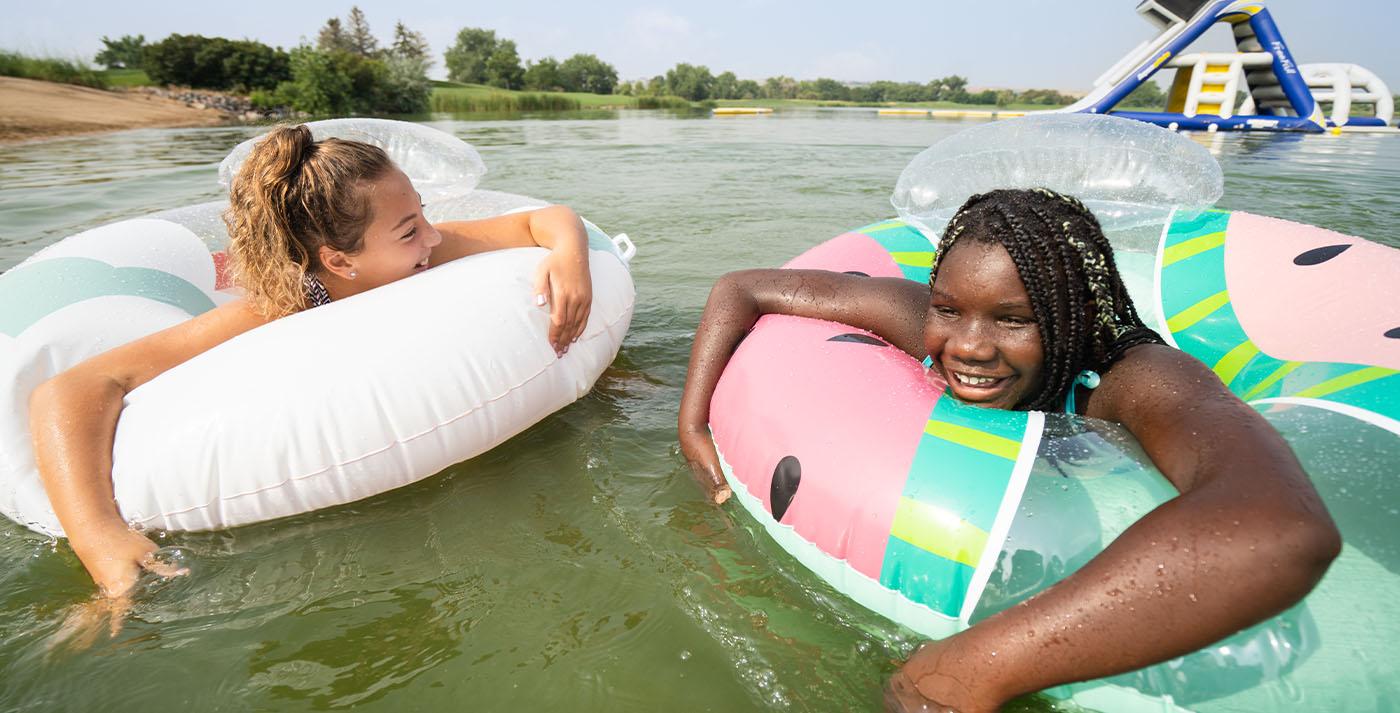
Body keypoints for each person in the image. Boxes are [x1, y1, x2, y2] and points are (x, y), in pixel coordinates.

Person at [677, 188, 1341, 712]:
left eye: (1013, 319)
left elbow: (1283, 527)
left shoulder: (1136, 380)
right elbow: (742, 287)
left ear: (1071, 315)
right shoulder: (934, 324)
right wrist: (693, 423)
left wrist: (977, 664)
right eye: (950, 309)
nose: (969, 346)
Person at [30, 124, 595, 599]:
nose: (431, 235)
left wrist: (569, 257)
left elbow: (541, 220)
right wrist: (98, 537)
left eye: (421, 215)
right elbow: (72, 387)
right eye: (408, 229)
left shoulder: (427, 250)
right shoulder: (273, 311)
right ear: (338, 261)